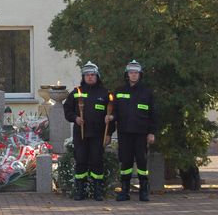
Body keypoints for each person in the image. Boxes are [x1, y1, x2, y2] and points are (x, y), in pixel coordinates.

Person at [63, 61, 113, 201]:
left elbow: (112, 116)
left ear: (97, 76)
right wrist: (75, 118)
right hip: (81, 134)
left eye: (92, 75)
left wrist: (109, 132)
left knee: (97, 161)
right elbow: (67, 110)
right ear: (83, 77)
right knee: (81, 161)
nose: (90, 77)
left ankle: (97, 191)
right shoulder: (77, 92)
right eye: (87, 75)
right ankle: (80, 190)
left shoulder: (105, 93)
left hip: (98, 134)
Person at [108, 60, 157, 202]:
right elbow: (115, 111)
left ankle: (143, 190)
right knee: (126, 162)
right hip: (124, 132)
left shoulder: (147, 92)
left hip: (141, 133)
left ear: (140, 75)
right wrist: (111, 117)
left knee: (142, 162)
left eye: (136, 73)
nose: (133, 75)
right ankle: (124, 190)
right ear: (127, 74)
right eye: (131, 73)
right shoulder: (120, 91)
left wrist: (152, 132)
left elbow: (153, 114)